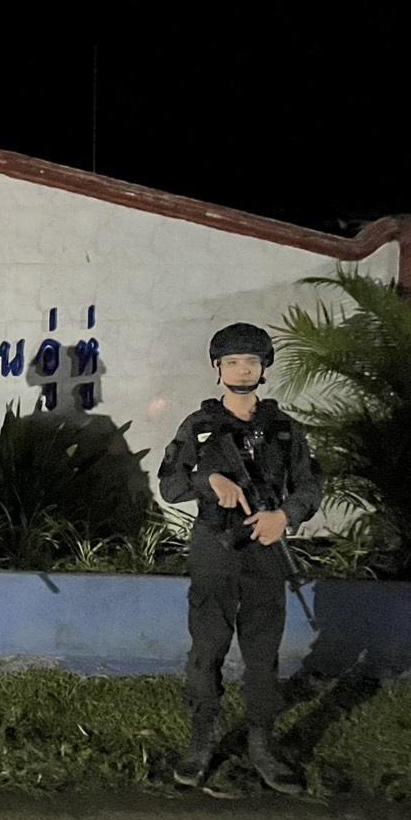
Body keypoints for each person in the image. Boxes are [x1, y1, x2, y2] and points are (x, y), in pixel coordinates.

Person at [157, 322, 324, 795]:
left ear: (264, 367)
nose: (242, 370)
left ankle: (261, 743)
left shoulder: (285, 430)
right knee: (207, 648)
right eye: (232, 362)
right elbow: (170, 484)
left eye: (251, 361)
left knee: (262, 652)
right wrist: (209, 481)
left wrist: (284, 517)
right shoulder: (199, 426)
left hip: (266, 549)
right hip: (214, 547)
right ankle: (201, 740)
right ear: (218, 369)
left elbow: (310, 484)